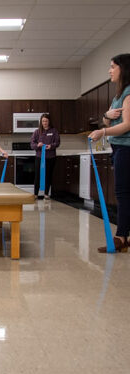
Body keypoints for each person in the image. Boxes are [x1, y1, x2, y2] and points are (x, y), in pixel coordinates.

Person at [89, 53, 130, 253]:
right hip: (118, 148)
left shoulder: (129, 93)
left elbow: (127, 125)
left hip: (126, 148)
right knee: (124, 193)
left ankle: (121, 237)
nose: (109, 70)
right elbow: (106, 119)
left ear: (123, 69)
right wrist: (107, 116)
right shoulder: (117, 96)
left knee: (123, 194)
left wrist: (103, 131)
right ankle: (124, 236)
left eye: (113, 66)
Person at [30, 113, 60, 200]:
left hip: (51, 157)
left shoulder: (54, 131)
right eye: (43, 121)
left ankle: (46, 194)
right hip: (39, 157)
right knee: (38, 175)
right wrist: (38, 145)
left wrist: (51, 146)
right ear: (41, 122)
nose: (44, 123)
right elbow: (32, 144)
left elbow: (57, 143)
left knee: (48, 175)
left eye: (46, 121)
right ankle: (35, 194)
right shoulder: (37, 132)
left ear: (49, 121)